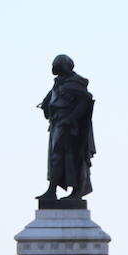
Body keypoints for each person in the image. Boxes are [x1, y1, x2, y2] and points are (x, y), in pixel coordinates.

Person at [37, 54, 95, 202]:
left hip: (69, 126)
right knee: (56, 157)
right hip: (57, 123)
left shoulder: (76, 83)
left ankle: (75, 192)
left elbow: (85, 103)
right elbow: (48, 101)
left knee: (72, 158)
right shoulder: (59, 84)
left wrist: (71, 118)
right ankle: (52, 190)